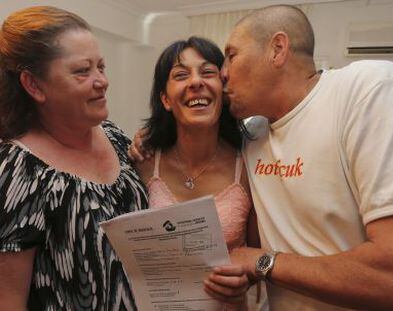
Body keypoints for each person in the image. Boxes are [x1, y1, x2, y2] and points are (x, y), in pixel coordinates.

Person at [215, 4, 393, 311]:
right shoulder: (252, 134)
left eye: (231, 55)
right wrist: (146, 142)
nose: (222, 72)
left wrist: (263, 262)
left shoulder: (368, 89)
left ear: (277, 49)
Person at [0, 6, 147, 310]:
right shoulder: (17, 170)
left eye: (101, 67)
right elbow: (8, 300)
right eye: (83, 71)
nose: (102, 81)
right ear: (34, 85)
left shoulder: (116, 137)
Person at [132, 36, 264, 310]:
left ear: (224, 89)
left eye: (207, 72)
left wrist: (243, 279)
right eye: (181, 75)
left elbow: (256, 254)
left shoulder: (249, 163)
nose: (195, 82)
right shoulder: (143, 161)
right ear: (166, 99)